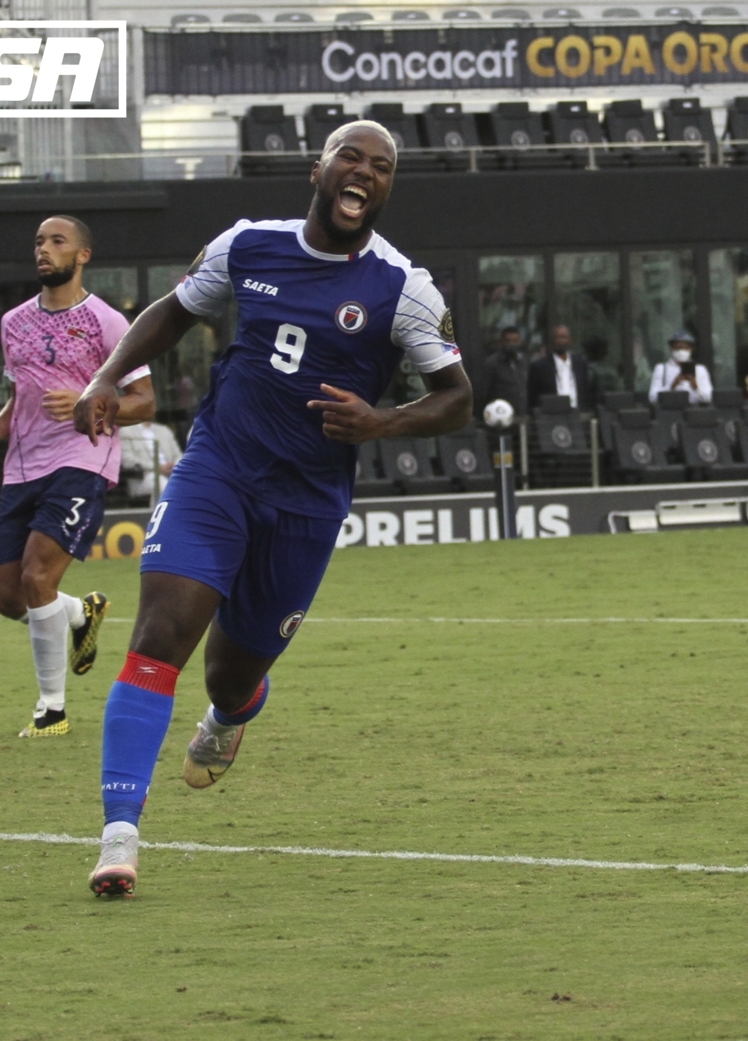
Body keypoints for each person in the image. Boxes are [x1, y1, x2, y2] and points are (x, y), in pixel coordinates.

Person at [69, 122, 471, 898]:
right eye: (350, 158)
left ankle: (230, 716)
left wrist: (382, 421)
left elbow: (458, 399)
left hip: (307, 503)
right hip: (217, 469)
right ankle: (119, 837)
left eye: (382, 168)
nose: (364, 174)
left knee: (230, 672)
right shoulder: (247, 245)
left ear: (388, 188)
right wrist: (109, 374)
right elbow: (174, 311)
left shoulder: (404, 287)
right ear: (316, 169)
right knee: (159, 634)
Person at [0, 215, 151, 739]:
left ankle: (52, 709)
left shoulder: (109, 324)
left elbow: (144, 402)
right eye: (39, 243)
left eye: (56, 242)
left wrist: (90, 402)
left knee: (37, 578)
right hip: (21, 468)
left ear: (83, 255)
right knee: (8, 597)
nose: (44, 250)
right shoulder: (13, 322)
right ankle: (79, 614)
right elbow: (19, 396)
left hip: (81, 461)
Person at [528, 324, 591, 409]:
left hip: (577, 415)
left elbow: (586, 391)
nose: (560, 341)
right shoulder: (539, 367)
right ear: (552, 340)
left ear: (569, 340)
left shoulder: (580, 364)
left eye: (563, 337)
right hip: (552, 416)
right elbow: (533, 397)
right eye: (557, 337)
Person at [119, 418, 182, 499]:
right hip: (144, 477)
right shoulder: (126, 431)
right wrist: (156, 467)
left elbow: (178, 455)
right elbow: (127, 461)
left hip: (172, 473)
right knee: (164, 487)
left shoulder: (164, 430)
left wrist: (175, 467)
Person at [647, 329, 713, 404]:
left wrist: (696, 387)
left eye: (685, 348)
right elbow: (652, 398)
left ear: (691, 349)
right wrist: (671, 387)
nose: (681, 351)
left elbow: (709, 397)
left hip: (694, 412)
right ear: (671, 349)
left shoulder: (700, 369)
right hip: (670, 412)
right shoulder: (661, 369)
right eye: (677, 348)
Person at [478, 326, 528, 418]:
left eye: (515, 341)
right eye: (508, 341)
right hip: (500, 416)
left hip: (522, 416)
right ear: (502, 342)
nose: (512, 344)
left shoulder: (524, 362)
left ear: (520, 342)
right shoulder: (492, 364)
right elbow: (483, 393)